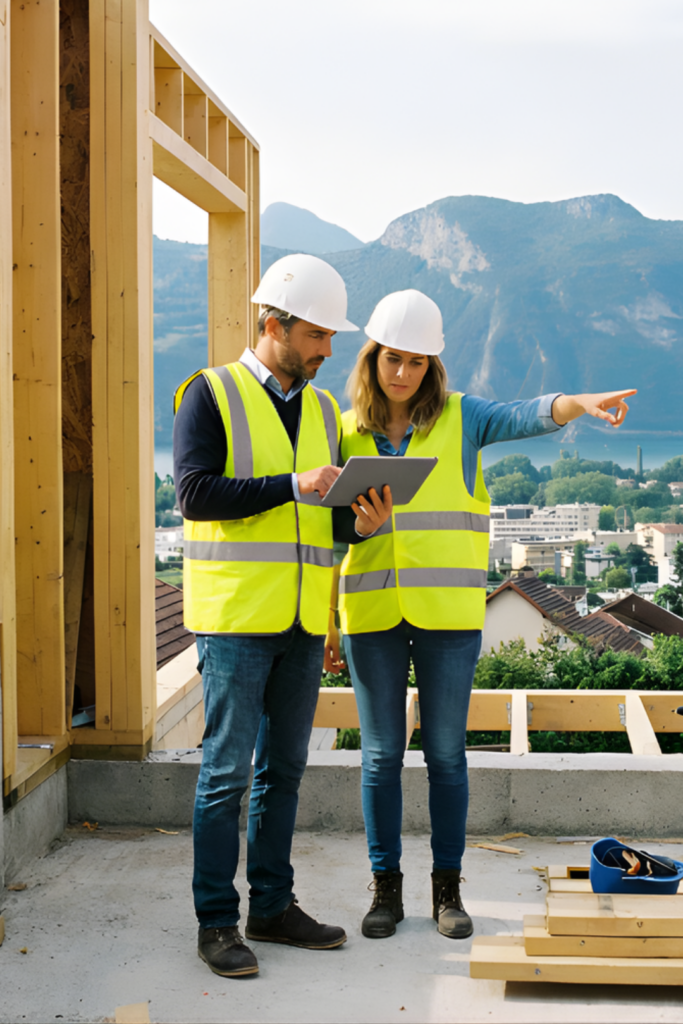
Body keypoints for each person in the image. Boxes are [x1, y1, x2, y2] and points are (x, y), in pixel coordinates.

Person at [325, 288, 636, 941]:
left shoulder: (463, 419)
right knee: (380, 758)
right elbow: (323, 535)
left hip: (447, 618)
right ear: (372, 358)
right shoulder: (340, 431)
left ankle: (446, 891)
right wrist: (327, 618)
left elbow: (528, 413)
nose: (402, 372)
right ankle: (385, 891)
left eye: (416, 361)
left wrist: (577, 403)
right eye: (392, 359)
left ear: (432, 365)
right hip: (370, 615)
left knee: (445, 756)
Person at [173, 253, 359, 978]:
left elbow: (324, 521)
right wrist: (291, 483)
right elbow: (194, 495)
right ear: (273, 324)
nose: (326, 351)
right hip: (234, 621)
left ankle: (273, 908)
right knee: (225, 775)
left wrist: (359, 523)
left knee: (285, 769)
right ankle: (216, 922)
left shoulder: (323, 411)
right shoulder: (209, 393)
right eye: (317, 335)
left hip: (302, 620)